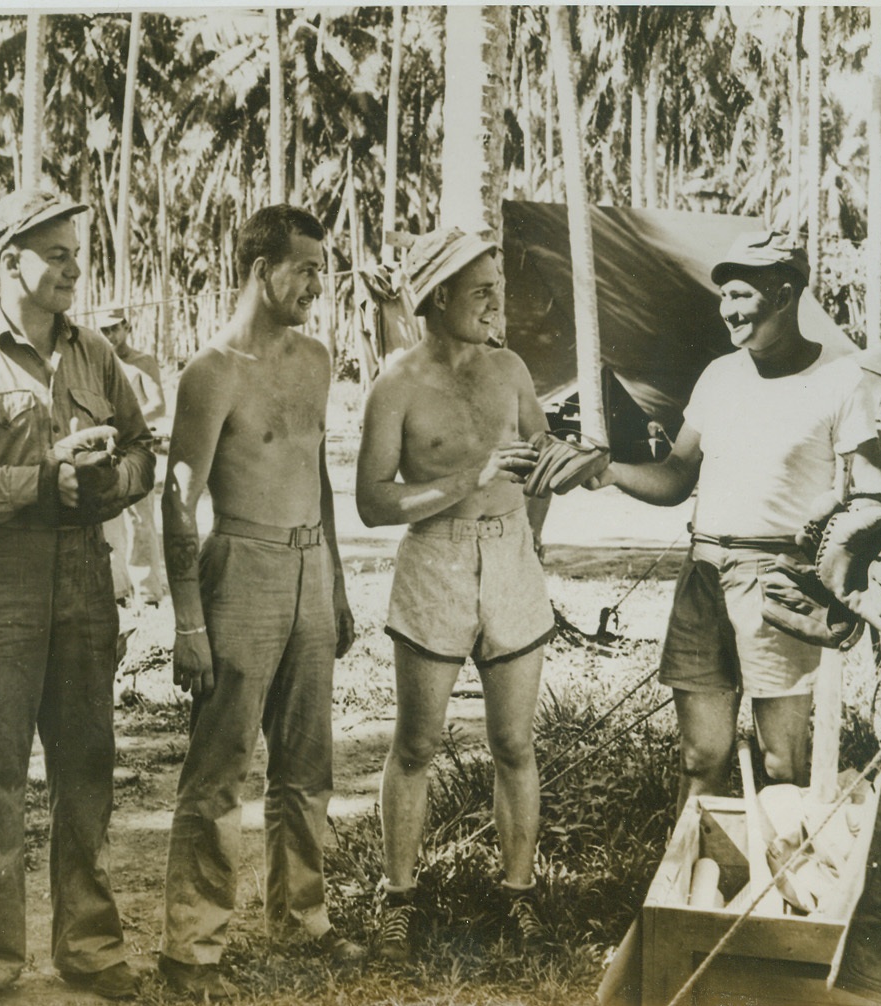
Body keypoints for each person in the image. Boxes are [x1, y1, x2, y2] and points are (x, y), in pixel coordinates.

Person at [0, 188, 156, 1005]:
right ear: (4, 262)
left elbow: (143, 448)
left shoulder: (96, 357)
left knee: (87, 769)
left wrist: (111, 482)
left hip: (84, 582)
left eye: (75, 253)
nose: (72, 268)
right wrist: (36, 482)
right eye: (54, 253)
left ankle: (89, 946)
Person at [588, 231, 881, 812]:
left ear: (782, 293)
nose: (726, 309)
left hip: (782, 581)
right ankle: (687, 895)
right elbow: (677, 476)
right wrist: (607, 471)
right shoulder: (720, 376)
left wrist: (869, 559)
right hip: (703, 571)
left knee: (782, 764)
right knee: (701, 758)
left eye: (738, 294)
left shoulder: (841, 379)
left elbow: (871, 488)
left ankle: (778, 894)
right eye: (722, 296)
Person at [158, 204, 362, 999]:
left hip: (310, 567)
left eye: (322, 268)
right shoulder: (211, 372)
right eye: (305, 267)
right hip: (240, 566)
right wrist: (187, 619)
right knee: (218, 772)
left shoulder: (315, 359)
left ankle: (301, 917)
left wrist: (337, 581)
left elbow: (319, 476)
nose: (318, 283)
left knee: (308, 763)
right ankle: (191, 947)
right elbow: (178, 502)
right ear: (259, 268)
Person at [354, 227, 553, 963]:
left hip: (510, 561)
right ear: (438, 298)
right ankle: (399, 897)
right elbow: (373, 503)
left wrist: (526, 533)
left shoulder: (512, 370)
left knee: (513, 742)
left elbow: (539, 467)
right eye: (481, 292)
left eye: (498, 289)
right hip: (433, 565)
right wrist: (468, 482)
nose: (496, 304)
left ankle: (519, 894)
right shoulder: (396, 383)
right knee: (416, 745)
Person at [97, 302, 168, 606]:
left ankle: (149, 594)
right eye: (104, 330)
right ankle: (118, 593)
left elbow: (159, 405)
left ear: (126, 326)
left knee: (141, 521)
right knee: (110, 522)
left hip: (137, 447)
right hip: (107, 450)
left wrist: (125, 423)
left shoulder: (142, 362)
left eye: (115, 327)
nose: (110, 334)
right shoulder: (98, 363)